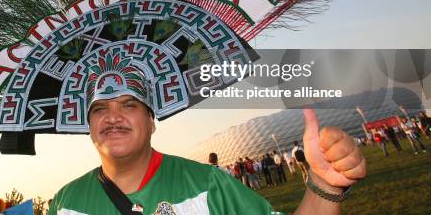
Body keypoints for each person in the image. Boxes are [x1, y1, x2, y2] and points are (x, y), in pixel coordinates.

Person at [48, 72, 366, 214]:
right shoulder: (65, 202)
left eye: (129, 105)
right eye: (100, 108)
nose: (113, 117)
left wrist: (324, 186)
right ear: (89, 126)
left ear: (150, 121)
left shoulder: (207, 183)